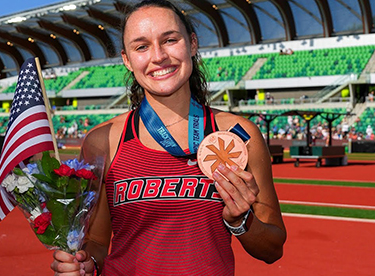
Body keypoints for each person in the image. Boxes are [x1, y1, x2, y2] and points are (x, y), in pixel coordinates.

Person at [51, 0, 286, 275]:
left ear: (192, 44)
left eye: (170, 40)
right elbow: (98, 244)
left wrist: (241, 219)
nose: (159, 56)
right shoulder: (103, 140)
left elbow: (273, 248)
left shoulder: (238, 136)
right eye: (142, 46)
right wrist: (84, 264)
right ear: (127, 60)